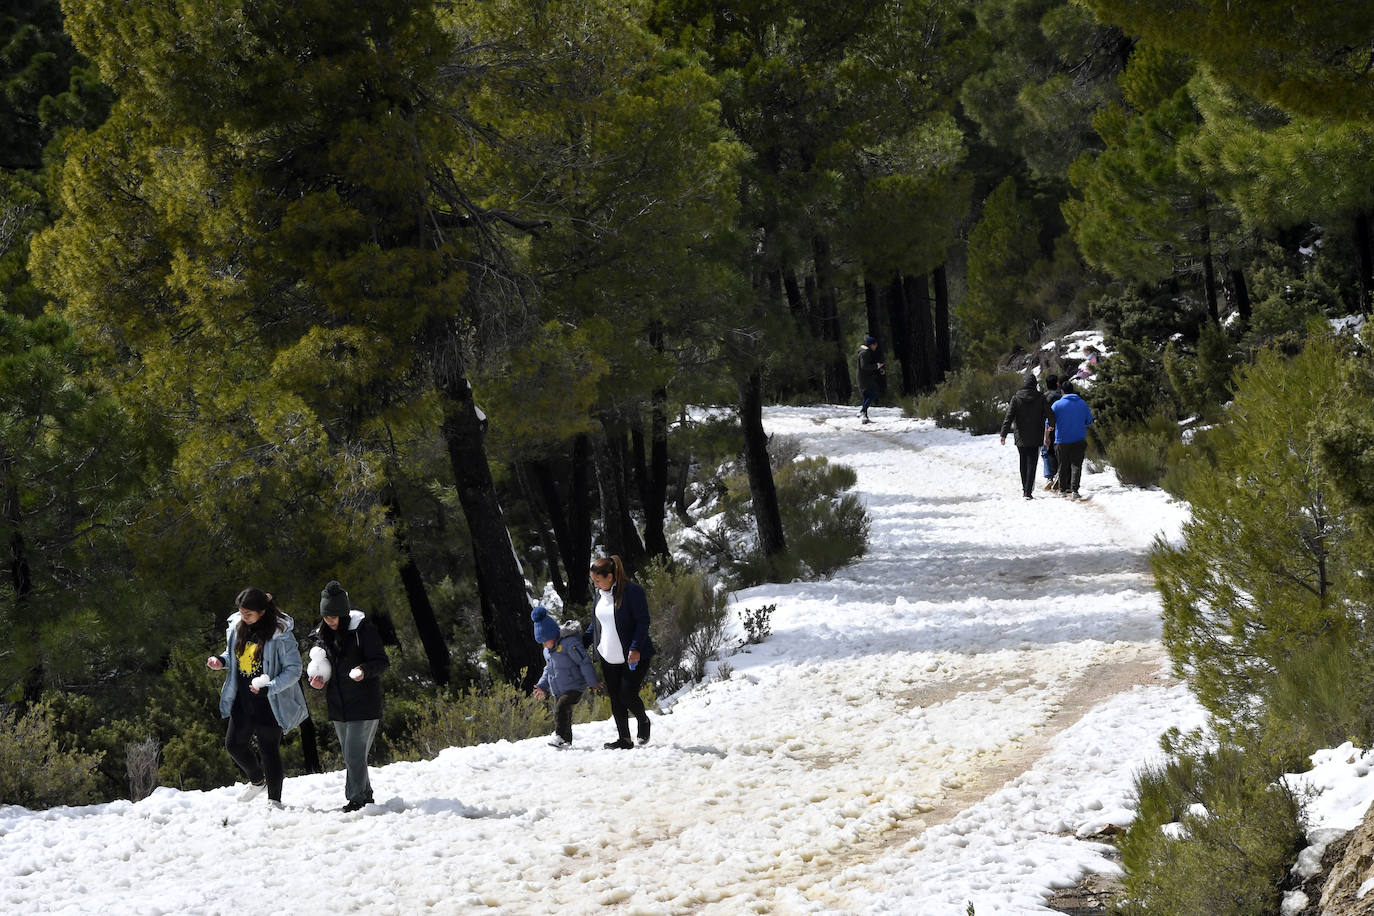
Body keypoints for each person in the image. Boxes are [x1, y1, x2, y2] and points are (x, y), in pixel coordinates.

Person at [207, 587, 309, 808]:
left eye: (249, 614)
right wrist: (221, 661)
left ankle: (274, 800)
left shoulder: (280, 634)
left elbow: (294, 669)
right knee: (234, 745)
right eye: (242, 612)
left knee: (269, 750)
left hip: (269, 702)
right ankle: (257, 780)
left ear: (262, 612)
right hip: (242, 700)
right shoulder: (237, 628)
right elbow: (231, 653)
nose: (244, 617)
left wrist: (271, 687)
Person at [307, 580, 390, 812]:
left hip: (364, 703)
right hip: (338, 705)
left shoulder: (363, 629)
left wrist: (364, 670)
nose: (330, 620)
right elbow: (322, 667)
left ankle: (355, 799)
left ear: (343, 614)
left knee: (354, 753)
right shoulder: (321, 635)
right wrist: (317, 679)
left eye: (334, 616)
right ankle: (366, 795)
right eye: (326, 616)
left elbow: (381, 662)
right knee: (352, 756)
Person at [585, 555, 655, 749]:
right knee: (616, 698)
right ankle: (624, 739)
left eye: (598, 580)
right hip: (608, 655)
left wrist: (635, 648)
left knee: (627, 693)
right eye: (594, 581)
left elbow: (643, 622)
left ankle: (643, 720)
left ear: (610, 576)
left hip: (633, 654)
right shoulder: (599, 594)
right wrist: (584, 640)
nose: (596, 584)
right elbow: (596, 623)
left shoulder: (632, 591)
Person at [531, 605, 600, 749]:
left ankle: (559, 736)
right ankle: (567, 741)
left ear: (553, 635)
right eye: (541, 643)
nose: (544, 645)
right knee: (564, 713)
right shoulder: (547, 651)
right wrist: (542, 685)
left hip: (575, 685)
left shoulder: (569, 644)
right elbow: (548, 669)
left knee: (561, 707)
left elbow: (584, 662)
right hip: (558, 688)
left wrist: (592, 682)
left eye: (545, 641)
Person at [1000, 374, 1055, 500]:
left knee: (1023, 462)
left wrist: (1003, 434)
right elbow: (1050, 414)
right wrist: (1051, 425)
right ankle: (1028, 491)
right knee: (1032, 463)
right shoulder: (1040, 398)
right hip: (1036, 435)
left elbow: (1008, 417)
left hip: (1021, 436)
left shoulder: (1016, 398)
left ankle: (1025, 488)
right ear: (1035, 384)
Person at [1050, 379, 1095, 499]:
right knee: (1076, 465)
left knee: (1062, 465)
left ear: (1062, 391)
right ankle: (1075, 490)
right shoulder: (1082, 403)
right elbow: (1089, 420)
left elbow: (1050, 421)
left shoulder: (1057, 405)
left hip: (1061, 440)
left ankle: (1062, 490)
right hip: (1079, 439)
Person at [855, 335, 885, 424]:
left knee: (867, 396)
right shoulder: (864, 353)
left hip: (865, 377)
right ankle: (862, 411)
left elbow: (869, 364)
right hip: (864, 378)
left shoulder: (867, 352)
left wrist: (879, 369)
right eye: (875, 344)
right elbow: (864, 366)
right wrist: (877, 366)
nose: (876, 346)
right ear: (871, 345)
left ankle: (865, 418)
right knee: (872, 394)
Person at [1041, 374, 1062, 490]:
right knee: (1057, 451)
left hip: (1047, 428)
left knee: (1046, 452)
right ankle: (1059, 473)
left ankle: (1049, 478)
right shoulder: (1060, 397)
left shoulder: (1043, 398)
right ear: (1057, 383)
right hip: (1059, 428)